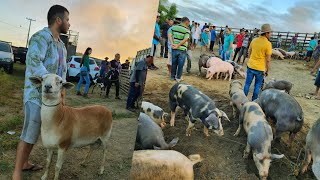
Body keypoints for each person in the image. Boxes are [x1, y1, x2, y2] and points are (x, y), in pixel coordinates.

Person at [12, 5, 70, 180]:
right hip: (36, 95)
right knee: (30, 130)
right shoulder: (40, 38)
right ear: (58, 20)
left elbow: (63, 72)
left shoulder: (62, 46)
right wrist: (51, 82)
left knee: (40, 131)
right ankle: (16, 173)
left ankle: (24, 163)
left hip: (54, 99)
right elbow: (34, 62)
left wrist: (62, 95)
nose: (69, 23)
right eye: (67, 19)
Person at [244, 24, 272, 101]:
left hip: (251, 66)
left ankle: (243, 100)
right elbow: (268, 60)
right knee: (257, 85)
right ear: (266, 33)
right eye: (270, 32)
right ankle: (254, 101)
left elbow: (249, 51)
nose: (271, 34)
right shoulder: (268, 44)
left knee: (247, 84)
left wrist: (250, 60)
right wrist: (267, 70)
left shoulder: (254, 40)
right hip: (260, 68)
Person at [168, 17, 190, 82]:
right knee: (180, 64)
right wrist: (178, 45)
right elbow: (186, 39)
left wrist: (172, 43)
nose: (188, 24)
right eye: (188, 23)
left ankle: (172, 77)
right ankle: (178, 77)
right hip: (182, 49)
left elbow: (169, 35)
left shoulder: (174, 27)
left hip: (174, 48)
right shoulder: (186, 30)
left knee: (174, 63)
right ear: (186, 22)